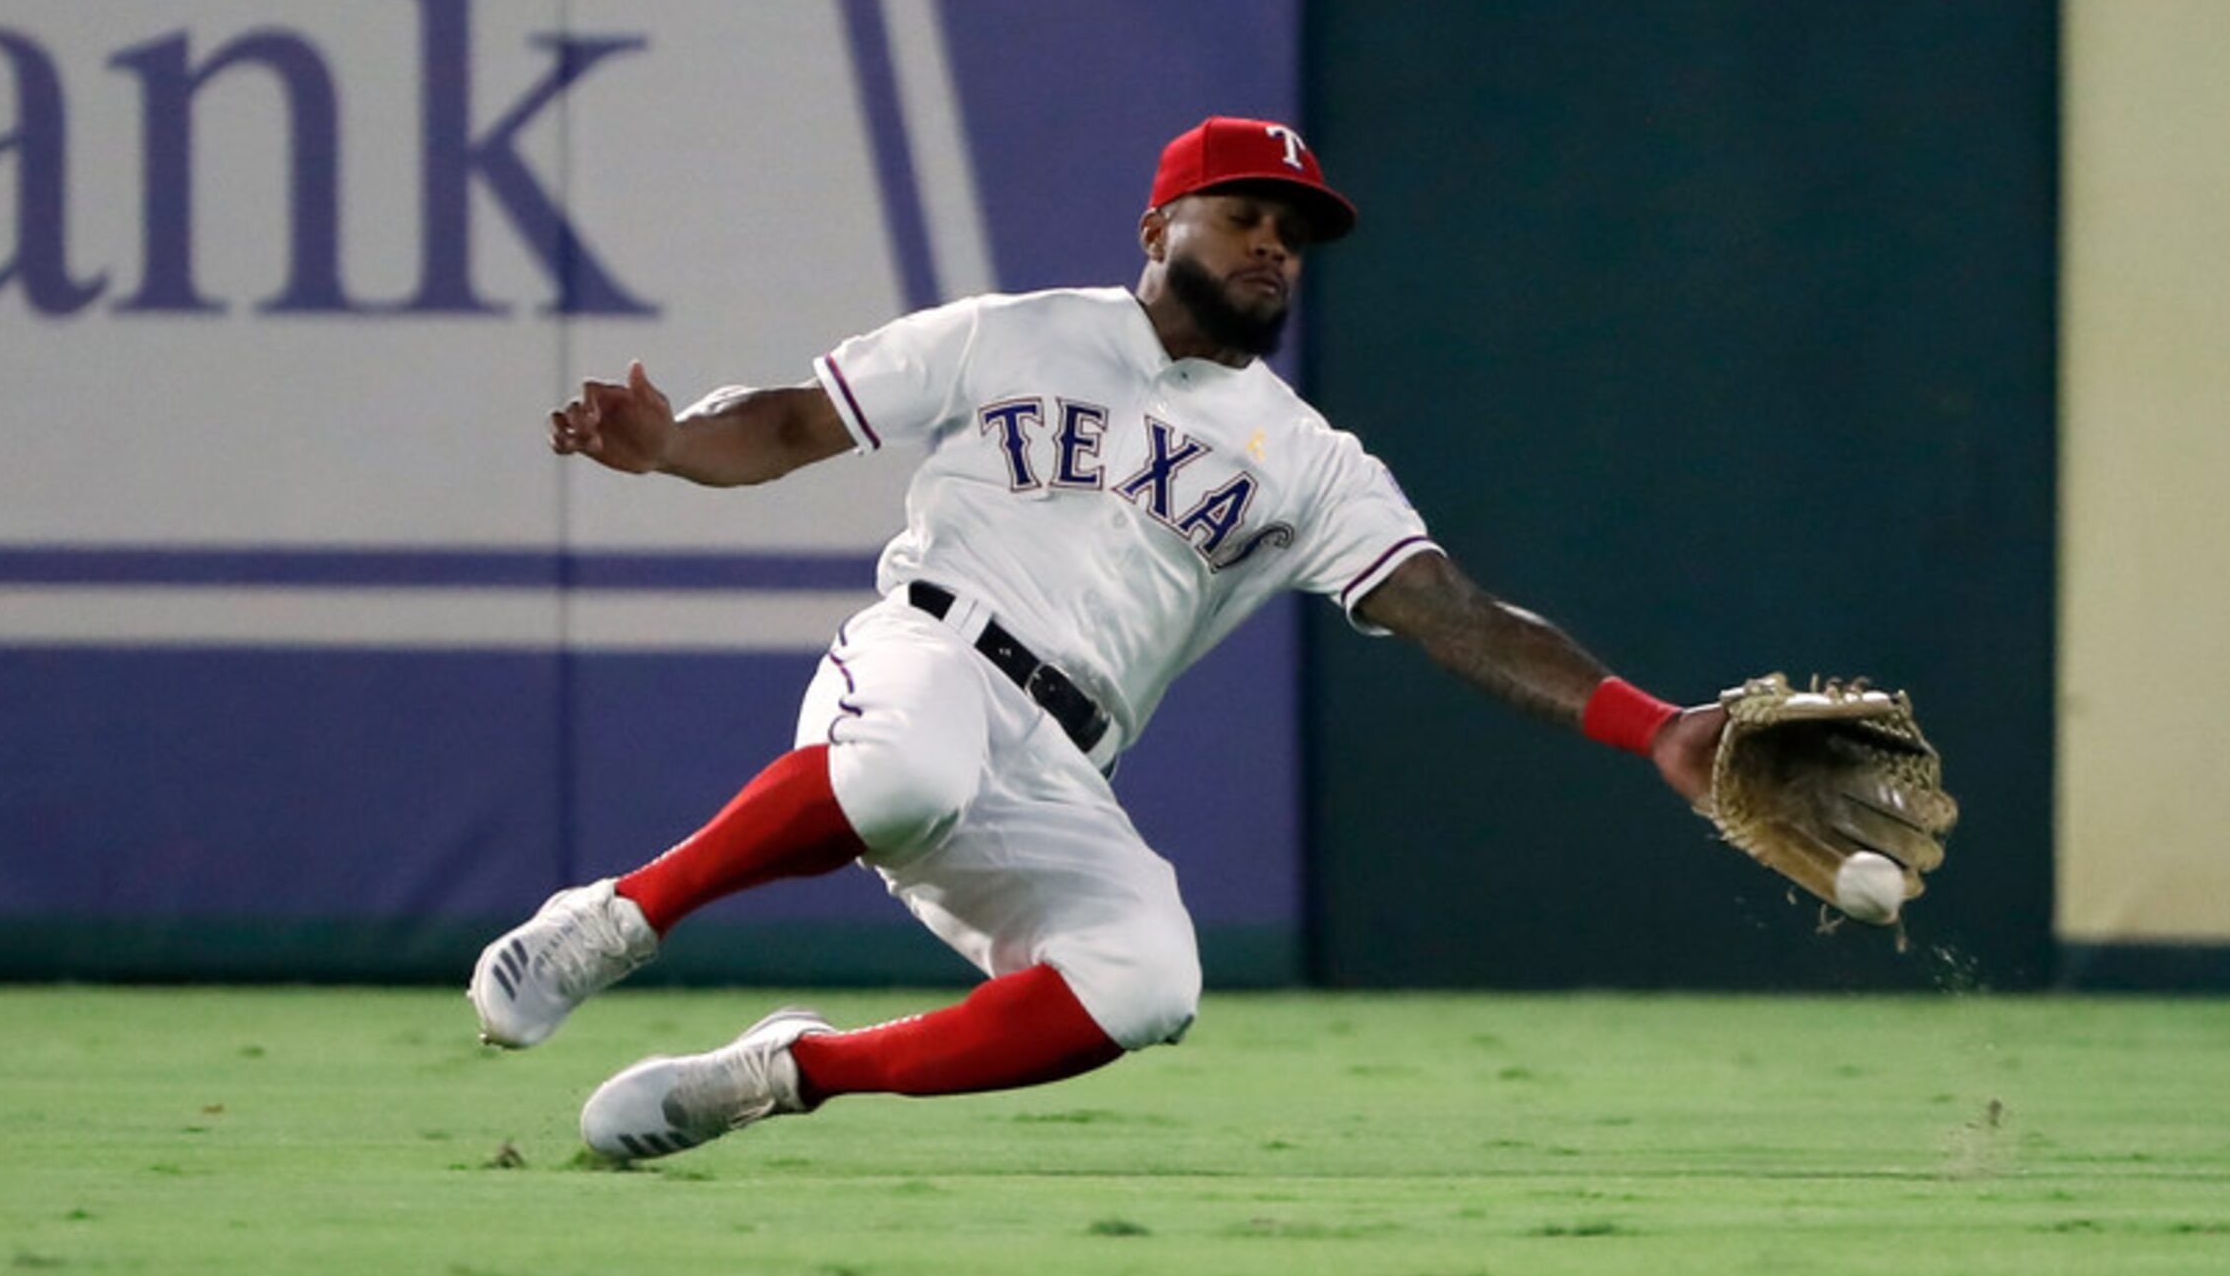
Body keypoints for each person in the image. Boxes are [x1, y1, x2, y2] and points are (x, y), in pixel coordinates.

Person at [470, 116, 1728, 1160]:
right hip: (930, 657)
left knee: (1147, 979)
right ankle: (617, 920)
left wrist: (1655, 726)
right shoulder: (1013, 333)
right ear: (1157, 229)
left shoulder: (1310, 461)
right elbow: (798, 422)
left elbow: (1455, 613)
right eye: (1244, 218)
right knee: (908, 772)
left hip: (1064, 759)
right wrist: (676, 442)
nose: (1273, 250)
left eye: (1291, 237)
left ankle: (787, 1073)